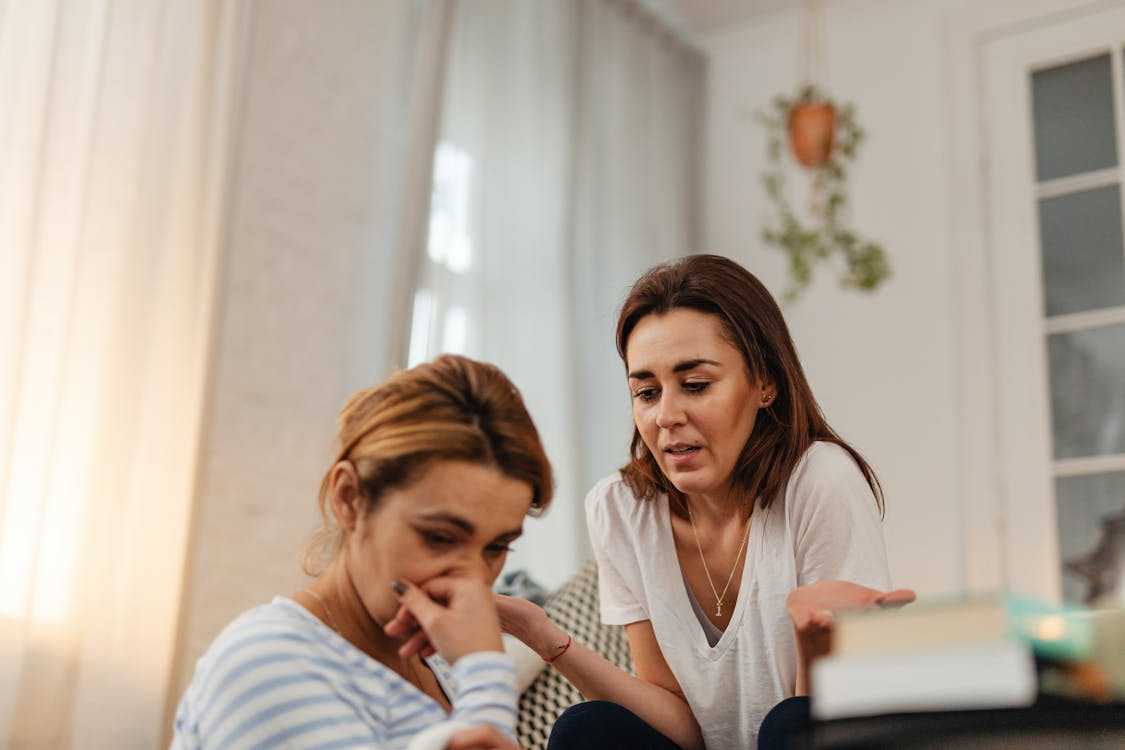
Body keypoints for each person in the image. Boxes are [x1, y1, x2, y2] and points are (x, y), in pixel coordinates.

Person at [496, 254, 914, 750]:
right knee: (584, 728)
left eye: (695, 385)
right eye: (646, 392)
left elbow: (832, 724)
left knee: (790, 722)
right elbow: (679, 729)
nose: (666, 415)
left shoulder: (820, 480)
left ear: (765, 383)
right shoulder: (619, 508)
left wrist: (812, 638)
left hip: (815, 734)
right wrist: (546, 639)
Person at [171, 354, 554, 750]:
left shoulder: (434, 661)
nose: (473, 582)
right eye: (439, 537)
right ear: (349, 498)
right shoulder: (263, 664)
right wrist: (486, 675)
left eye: (497, 547)